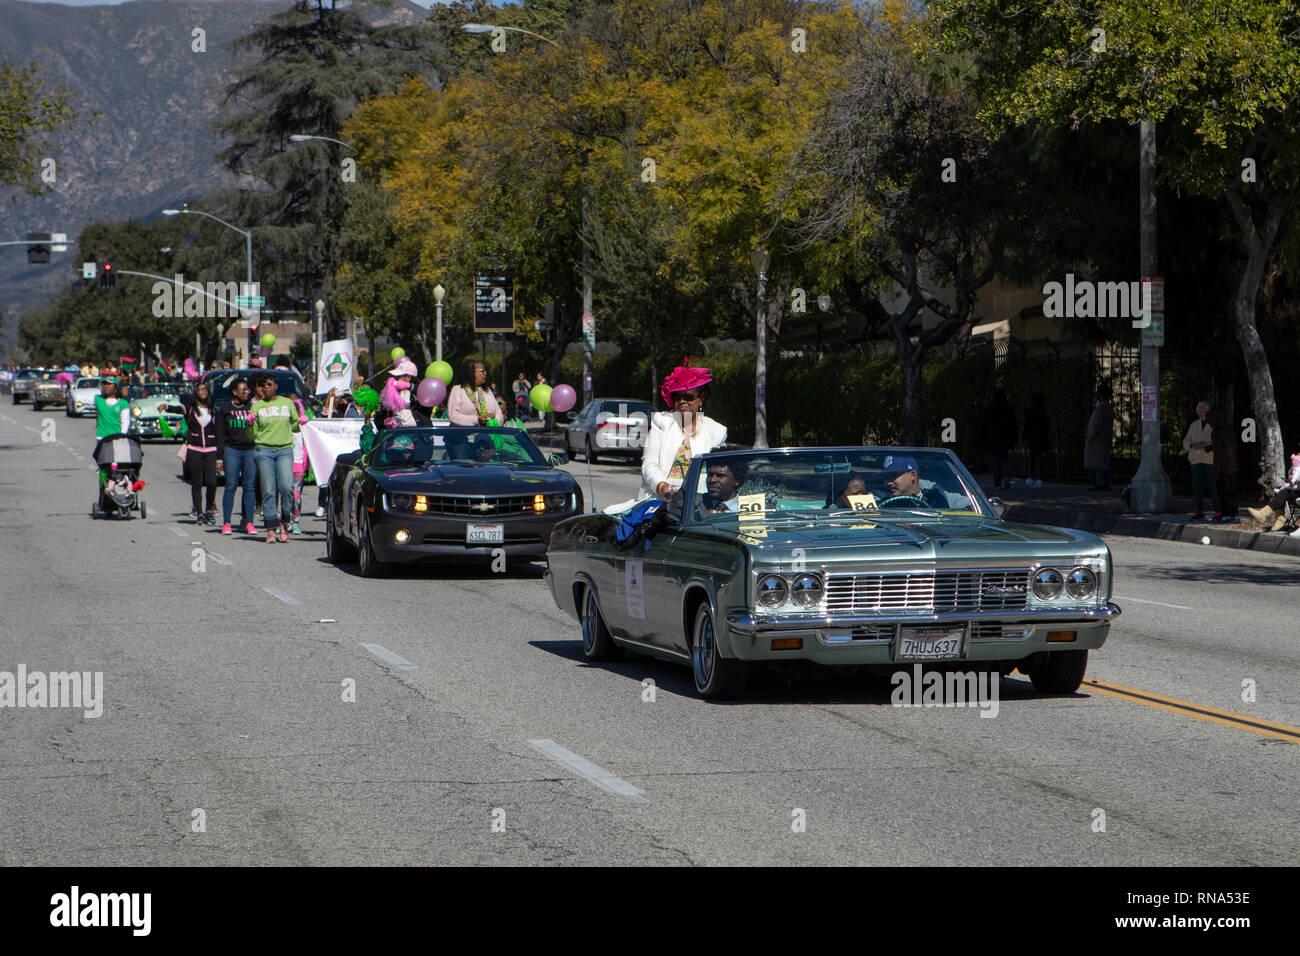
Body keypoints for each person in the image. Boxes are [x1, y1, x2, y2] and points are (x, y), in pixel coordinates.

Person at [638, 361, 728, 502]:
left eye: (688, 397)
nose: (682, 401)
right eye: (677, 397)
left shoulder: (717, 431)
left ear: (701, 398)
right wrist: (663, 487)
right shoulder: (661, 421)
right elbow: (649, 464)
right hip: (660, 501)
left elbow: (719, 472)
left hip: (700, 504)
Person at [159, 380, 222, 524]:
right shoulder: (190, 409)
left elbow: (220, 431)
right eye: (200, 389)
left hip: (211, 450)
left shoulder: (214, 410)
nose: (203, 391)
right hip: (194, 449)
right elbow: (178, 409)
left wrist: (220, 455)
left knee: (212, 482)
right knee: (197, 482)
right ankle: (199, 512)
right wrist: (166, 406)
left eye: (205, 389)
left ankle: (208, 509)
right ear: (196, 393)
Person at [249, 372, 301, 543]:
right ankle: (271, 528)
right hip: (263, 451)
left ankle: (285, 523)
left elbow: (294, 426)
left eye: (270, 384)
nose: (266, 387)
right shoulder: (256, 407)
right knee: (268, 489)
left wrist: (301, 418)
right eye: (264, 385)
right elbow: (252, 435)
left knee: (287, 487)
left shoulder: (287, 403)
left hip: (284, 450)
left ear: (276, 386)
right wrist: (249, 424)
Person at [215, 377, 258, 535]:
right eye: (243, 390)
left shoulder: (253, 408)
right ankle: (226, 523)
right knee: (230, 486)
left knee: (249, 487)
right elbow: (220, 436)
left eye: (247, 389)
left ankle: (249, 523)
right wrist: (219, 458)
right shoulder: (224, 410)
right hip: (231, 450)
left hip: (250, 450)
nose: (247, 392)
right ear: (234, 392)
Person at [1182, 400, 1221, 520]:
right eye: (1200, 409)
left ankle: (1218, 511)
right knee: (1197, 487)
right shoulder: (1194, 425)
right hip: (1196, 460)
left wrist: (1204, 445)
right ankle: (1198, 511)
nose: (1202, 412)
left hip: (1209, 460)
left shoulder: (1214, 425)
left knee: (1213, 486)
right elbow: (1186, 441)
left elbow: (1217, 441)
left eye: (1204, 409)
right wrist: (1192, 445)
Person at [1247, 449, 1300, 533]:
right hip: (1295, 487)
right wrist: (1291, 475)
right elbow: (1291, 474)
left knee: (1283, 492)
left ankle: (1266, 514)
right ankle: (1279, 518)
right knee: (1279, 489)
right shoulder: (1297, 458)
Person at [978, 389, 1019, 489]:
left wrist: (982, 436)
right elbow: (1013, 423)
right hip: (1005, 437)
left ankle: (997, 481)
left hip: (992, 437)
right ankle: (1006, 475)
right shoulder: (1008, 408)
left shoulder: (989, 408)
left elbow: (984, 424)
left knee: (994, 460)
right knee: (1004, 457)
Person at [1205, 405, 1238, 521]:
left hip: (1223, 467)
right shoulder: (1228, 429)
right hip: (1233, 464)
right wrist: (1210, 447)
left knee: (1223, 492)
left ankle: (1225, 514)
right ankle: (1234, 513)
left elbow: (1218, 453)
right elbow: (1228, 445)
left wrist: (1215, 471)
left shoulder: (1216, 432)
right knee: (1232, 492)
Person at [449, 360, 502, 426]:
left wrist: (494, 422)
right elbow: (453, 416)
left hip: (488, 434)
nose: (485, 373)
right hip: (465, 434)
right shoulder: (458, 390)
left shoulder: (487, 390)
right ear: (471, 373)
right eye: (482, 371)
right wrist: (477, 420)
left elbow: (498, 412)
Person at [1084, 386, 1114, 490]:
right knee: (1105, 462)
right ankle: (1106, 482)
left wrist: (1090, 438)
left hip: (1098, 440)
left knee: (1099, 463)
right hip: (1105, 438)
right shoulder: (1109, 408)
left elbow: (1095, 426)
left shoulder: (1100, 409)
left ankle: (1100, 483)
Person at [379, 358, 420, 429]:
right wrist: (384, 421)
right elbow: (380, 416)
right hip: (396, 434)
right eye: (395, 377)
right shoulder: (390, 393)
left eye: (398, 376)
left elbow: (425, 397)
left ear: (408, 377)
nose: (396, 379)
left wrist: (410, 386)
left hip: (415, 434)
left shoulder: (418, 391)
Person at [1021, 392, 1050, 488]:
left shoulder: (1028, 410)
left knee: (1030, 457)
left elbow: (1026, 424)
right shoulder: (1043, 411)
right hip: (1041, 436)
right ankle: (1039, 478)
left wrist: (1024, 434)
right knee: (1039, 458)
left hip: (1031, 436)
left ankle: (1030, 477)